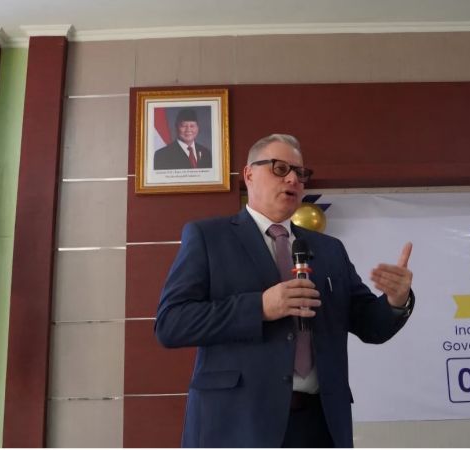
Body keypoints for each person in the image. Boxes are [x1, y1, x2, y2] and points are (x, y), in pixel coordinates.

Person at [154, 134, 415, 447]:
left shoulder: (329, 249)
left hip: (319, 424)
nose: (293, 179)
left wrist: (396, 300)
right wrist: (260, 308)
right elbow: (171, 323)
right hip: (237, 424)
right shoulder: (209, 237)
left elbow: (371, 325)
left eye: (300, 173)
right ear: (249, 174)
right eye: (280, 168)